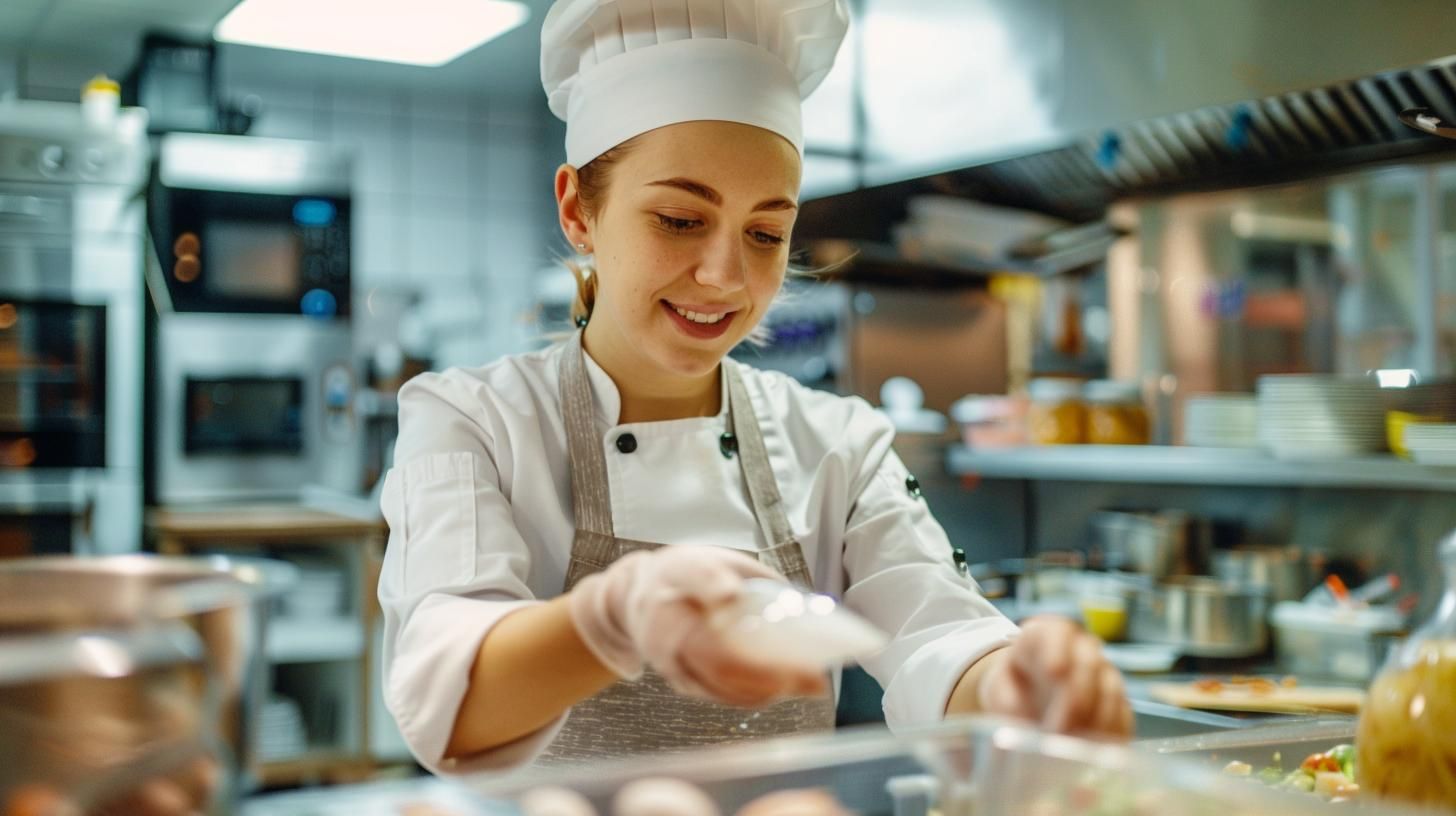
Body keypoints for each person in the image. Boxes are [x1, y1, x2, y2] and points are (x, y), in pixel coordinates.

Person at [377, 0, 1132, 774]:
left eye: (767, 232)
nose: (726, 276)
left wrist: (1025, 685)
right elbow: (445, 703)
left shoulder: (838, 442)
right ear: (578, 210)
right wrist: (610, 619)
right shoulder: (474, 421)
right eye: (678, 219)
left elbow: (940, 637)